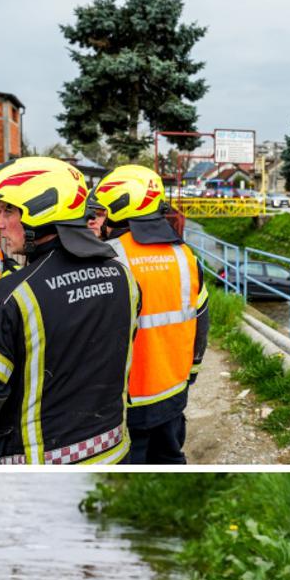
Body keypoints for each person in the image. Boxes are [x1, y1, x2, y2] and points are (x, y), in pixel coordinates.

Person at [0, 156, 140, 464]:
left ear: (41, 211)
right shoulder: (123, 276)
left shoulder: (8, 296)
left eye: (8, 210)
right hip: (112, 452)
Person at [94, 164, 211, 464]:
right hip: (173, 393)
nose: (97, 220)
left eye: (101, 212)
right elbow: (202, 321)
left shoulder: (108, 258)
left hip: (126, 403)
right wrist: (191, 374)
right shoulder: (185, 256)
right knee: (170, 460)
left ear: (118, 209)